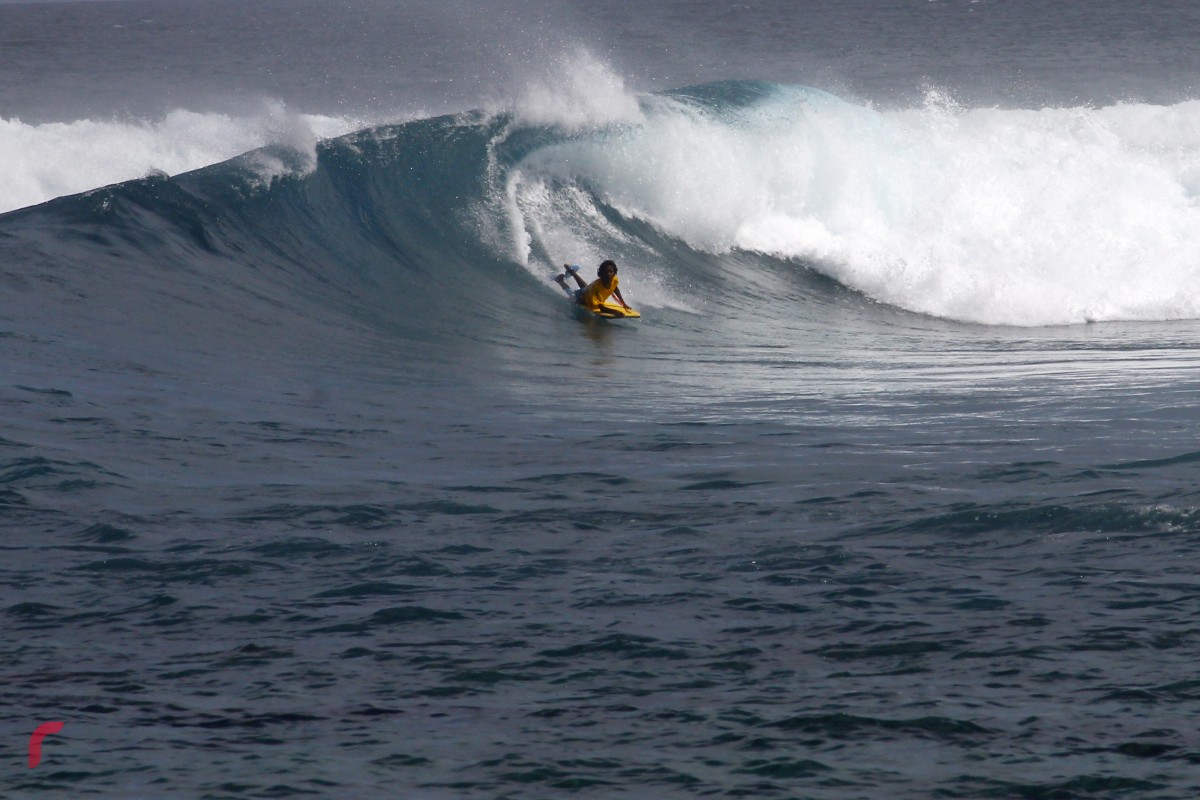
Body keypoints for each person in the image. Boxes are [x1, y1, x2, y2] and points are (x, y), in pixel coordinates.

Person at [552, 259, 632, 312]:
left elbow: (615, 288)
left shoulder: (614, 279)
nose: (608, 274)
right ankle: (560, 281)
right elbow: (601, 308)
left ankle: (570, 270)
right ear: (601, 274)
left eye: (610, 272)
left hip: (589, 290)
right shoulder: (596, 287)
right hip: (582, 298)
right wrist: (616, 312)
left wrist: (623, 303)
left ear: (614, 273)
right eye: (605, 272)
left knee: (585, 286)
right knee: (572, 294)